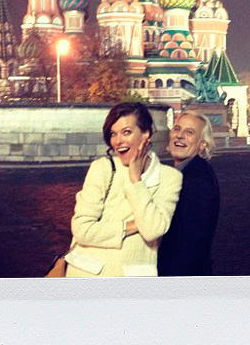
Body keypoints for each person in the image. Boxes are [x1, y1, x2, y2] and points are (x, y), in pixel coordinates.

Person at [65, 102, 183, 277]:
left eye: (126, 132)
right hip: (87, 275)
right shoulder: (102, 168)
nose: (118, 141)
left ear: (146, 134)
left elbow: (152, 231)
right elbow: (82, 230)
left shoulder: (170, 177)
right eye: (113, 134)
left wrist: (136, 180)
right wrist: (133, 226)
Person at [157, 110, 220, 276]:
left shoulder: (199, 179)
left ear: (202, 144)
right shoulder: (180, 172)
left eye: (189, 132)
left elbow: (192, 243)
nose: (180, 135)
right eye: (177, 129)